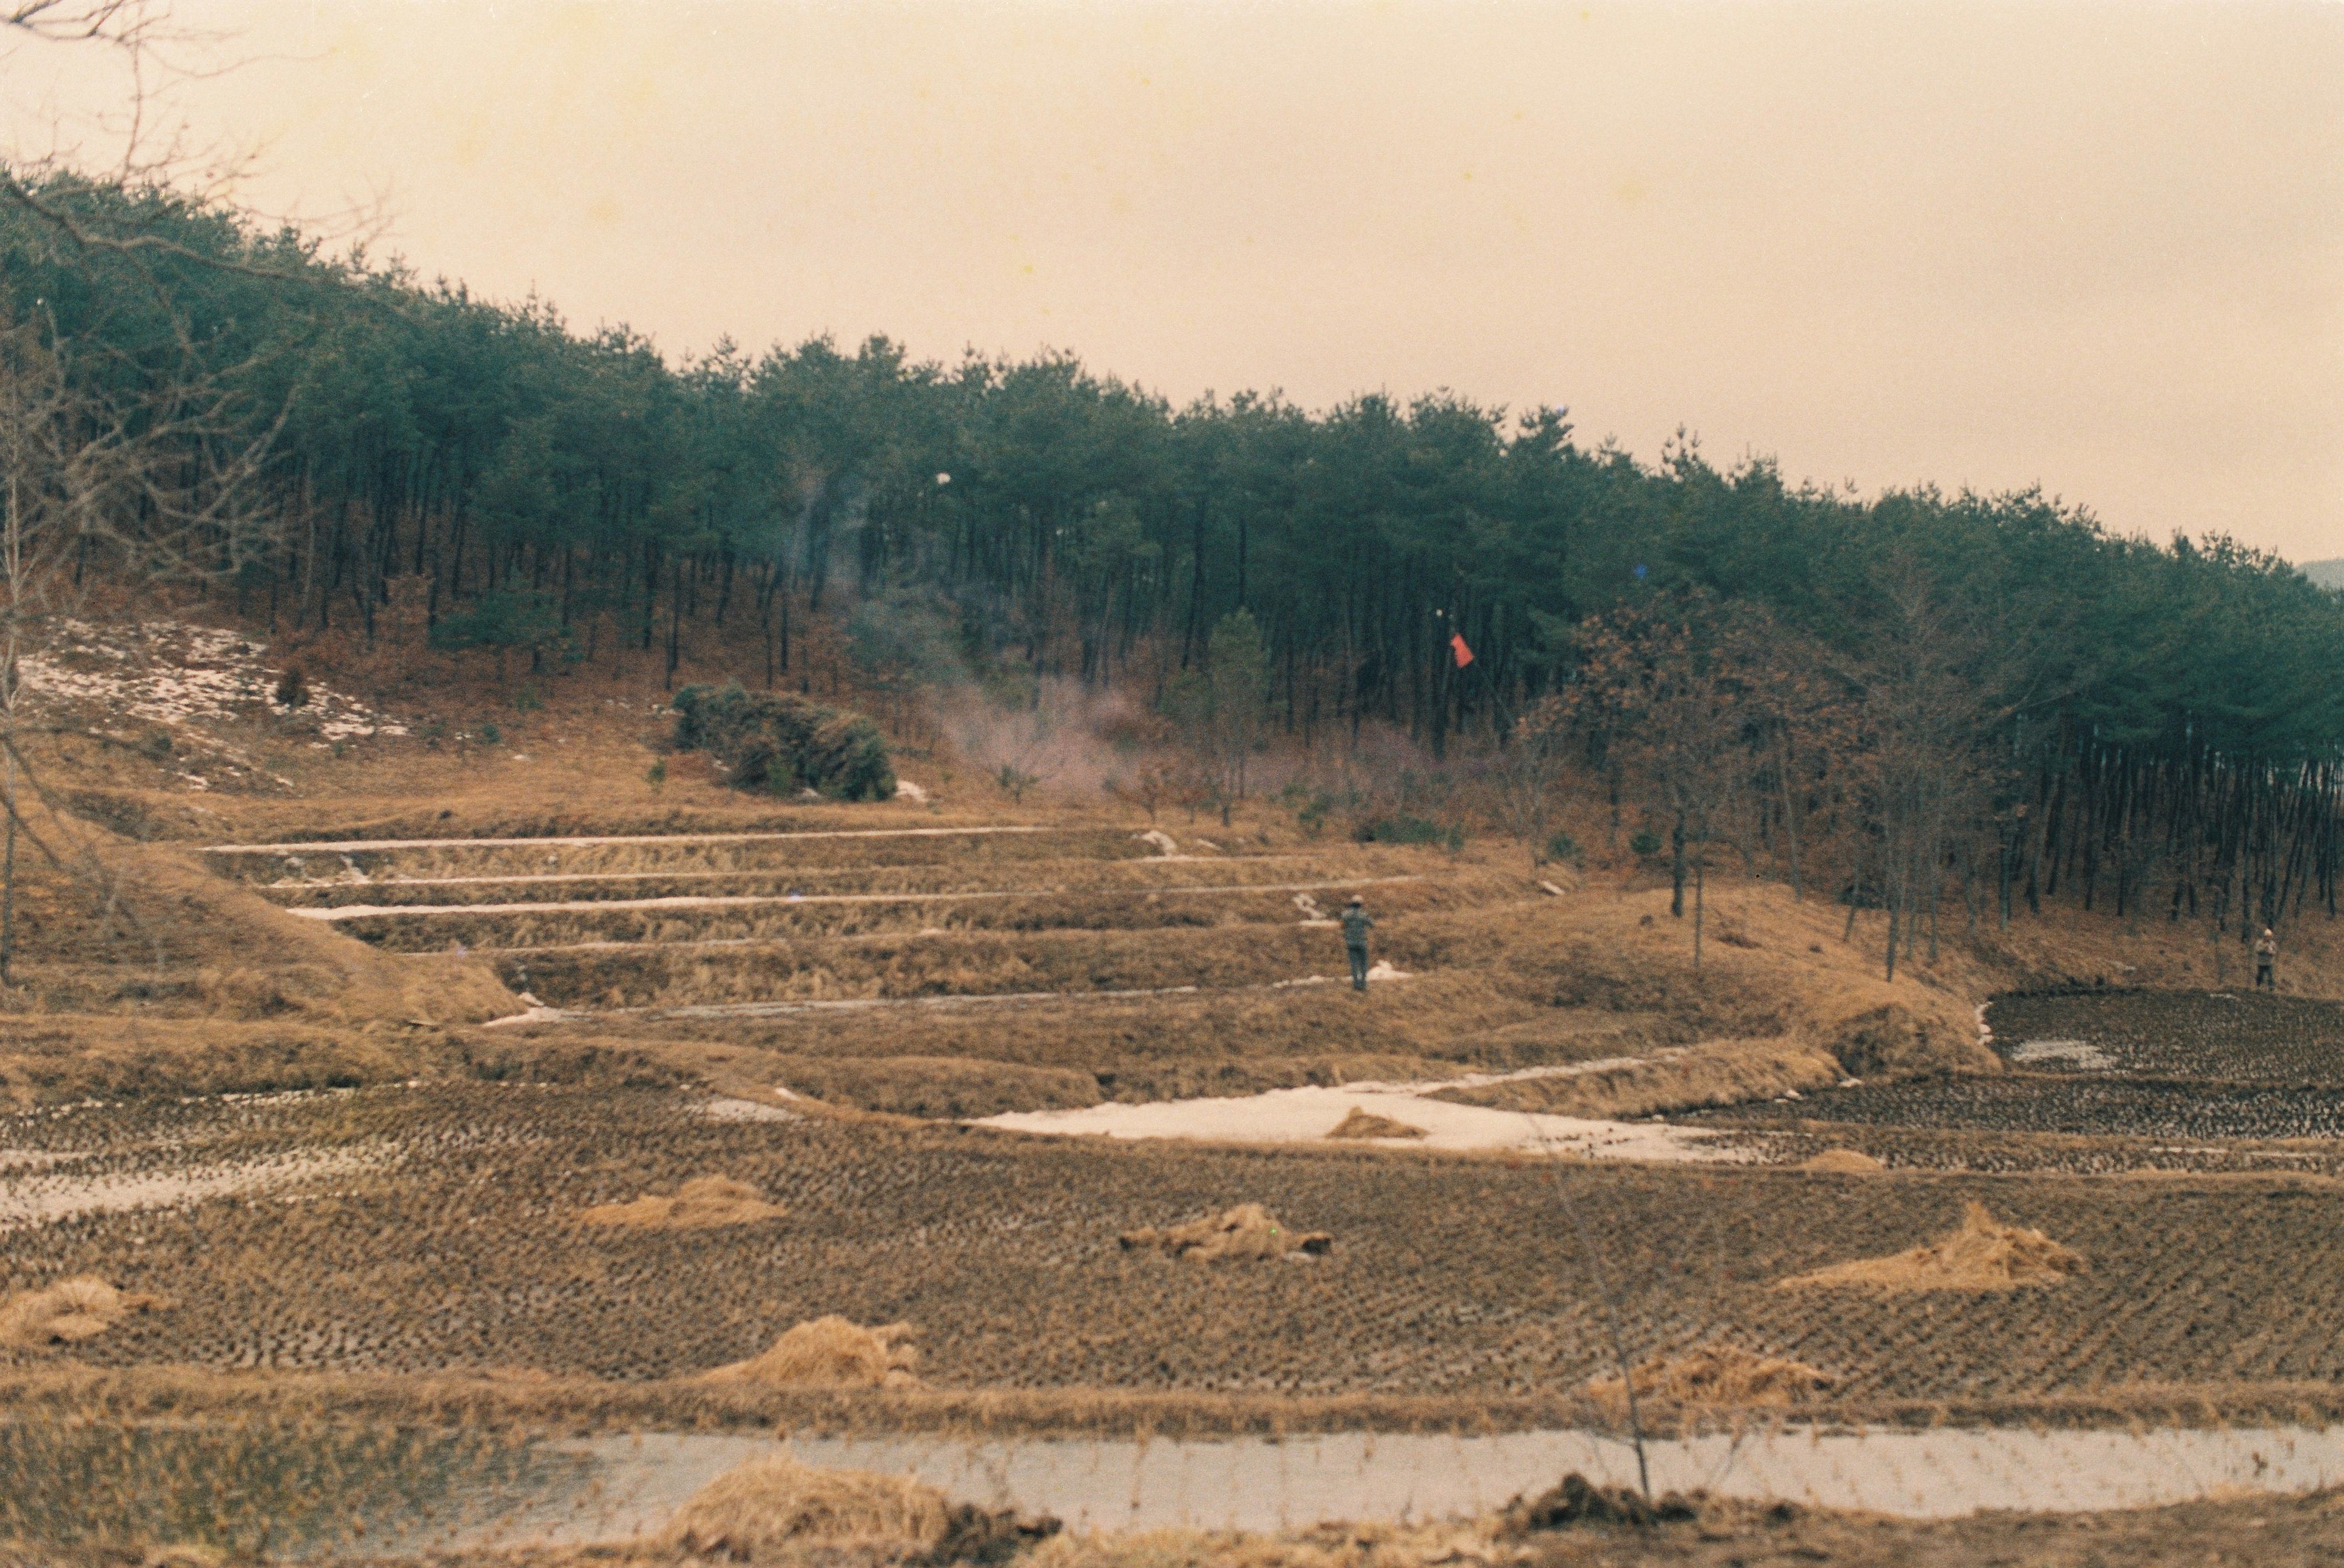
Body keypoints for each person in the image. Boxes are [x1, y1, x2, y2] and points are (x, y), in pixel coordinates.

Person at [1341, 894, 1374, 993]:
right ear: (1360, 905)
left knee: (1354, 964)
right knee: (1363, 963)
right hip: (1362, 942)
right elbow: (1372, 924)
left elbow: (1342, 925)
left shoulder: (1345, 915)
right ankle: (1363, 984)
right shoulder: (1364, 915)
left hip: (1351, 942)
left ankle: (1356, 984)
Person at [2254, 927, 2278, 991]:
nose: (2268, 938)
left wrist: (2271, 953)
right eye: (2267, 936)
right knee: (2260, 975)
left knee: (2270, 975)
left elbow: (2275, 952)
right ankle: (2258, 986)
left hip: (2269, 963)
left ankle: (2271, 988)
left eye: (2270, 937)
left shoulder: (2272, 944)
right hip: (2261, 962)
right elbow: (2257, 950)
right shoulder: (2260, 943)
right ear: (2265, 936)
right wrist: (2264, 949)